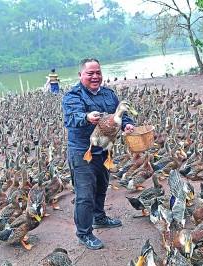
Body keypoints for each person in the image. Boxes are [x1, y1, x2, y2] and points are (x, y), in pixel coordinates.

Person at [62, 58, 135, 250]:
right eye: (90, 73)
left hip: (104, 148)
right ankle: (84, 233)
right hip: (82, 150)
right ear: (80, 75)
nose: (95, 77)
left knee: (102, 186)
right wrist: (86, 117)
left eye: (98, 73)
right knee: (85, 194)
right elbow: (71, 118)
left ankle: (99, 217)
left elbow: (121, 113)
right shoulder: (72, 96)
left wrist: (127, 124)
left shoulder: (109, 95)